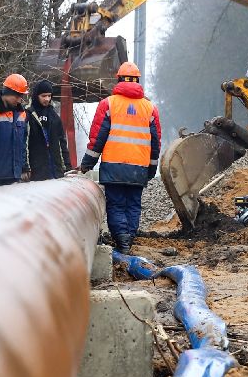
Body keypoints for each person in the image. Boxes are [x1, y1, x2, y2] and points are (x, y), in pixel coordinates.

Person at [79, 62, 161, 254]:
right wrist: (152, 168)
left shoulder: (108, 104)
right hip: (138, 167)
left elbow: (97, 138)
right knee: (133, 204)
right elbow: (155, 143)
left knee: (116, 204)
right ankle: (128, 239)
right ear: (137, 81)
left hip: (114, 165)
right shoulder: (150, 108)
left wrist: (87, 164)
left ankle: (122, 240)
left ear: (119, 79)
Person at [26, 79, 72, 181]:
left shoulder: (54, 116)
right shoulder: (28, 114)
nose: (47, 99)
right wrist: (25, 168)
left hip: (55, 169)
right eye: (43, 96)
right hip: (36, 170)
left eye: (49, 96)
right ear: (36, 96)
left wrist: (68, 166)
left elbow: (62, 143)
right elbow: (24, 144)